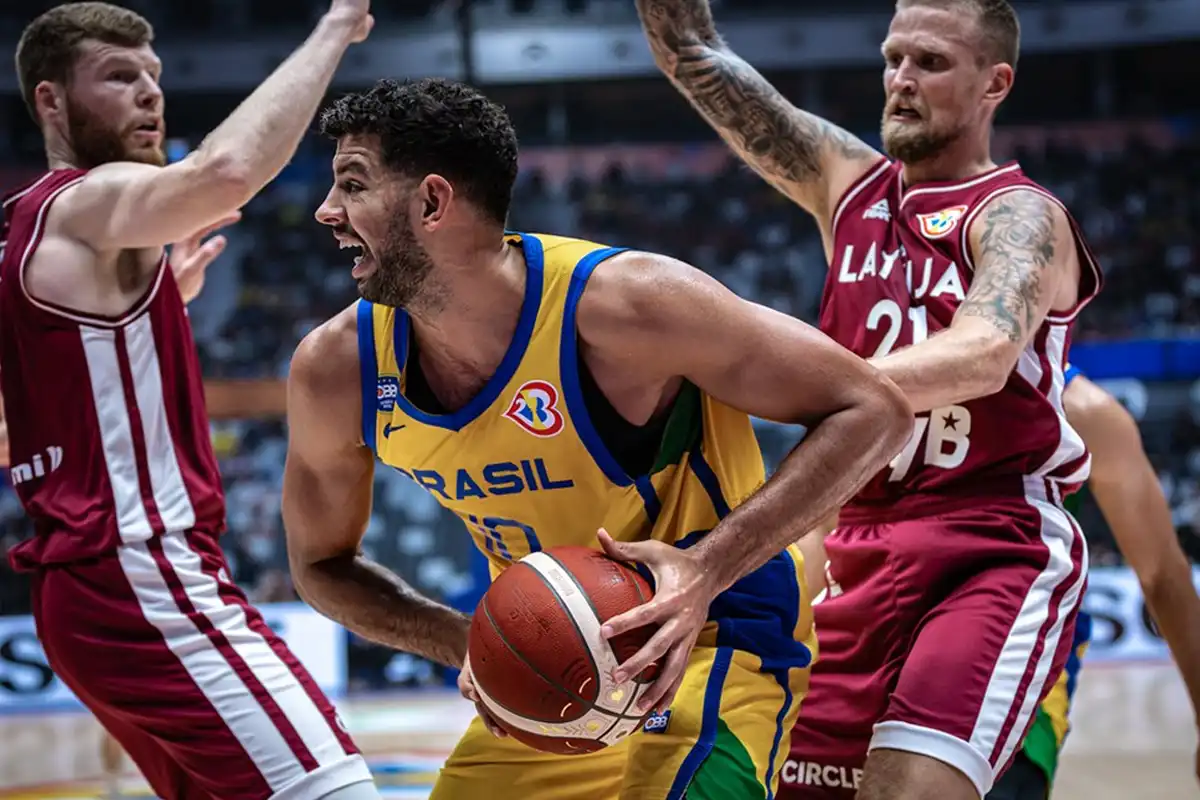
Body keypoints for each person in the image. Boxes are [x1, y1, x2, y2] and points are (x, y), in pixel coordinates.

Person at [280, 76, 913, 800]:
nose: (327, 212)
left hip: (712, 634)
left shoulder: (628, 305)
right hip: (550, 659)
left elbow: (873, 409)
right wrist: (471, 643)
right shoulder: (338, 370)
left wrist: (706, 568)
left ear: (432, 202)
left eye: (352, 185)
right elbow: (320, 565)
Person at [635, 0, 1103, 798]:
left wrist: (810, 389)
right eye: (893, 59)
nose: (900, 80)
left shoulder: (1021, 214)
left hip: (988, 538)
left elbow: (985, 352)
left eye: (930, 63)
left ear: (996, 83)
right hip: (853, 545)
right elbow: (695, 54)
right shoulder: (849, 188)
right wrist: (674, 29)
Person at [0, 2, 384, 798]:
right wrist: (335, 26)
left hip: (81, 597)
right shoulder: (85, 197)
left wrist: (143, 313)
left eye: (154, 76)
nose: (149, 93)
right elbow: (225, 175)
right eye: (118, 76)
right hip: (143, 575)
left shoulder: (23, 235)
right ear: (49, 101)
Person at [987, 365, 1200, 799]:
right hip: (884, 651)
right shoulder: (911, 375)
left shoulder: (1083, 410)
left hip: (1017, 677)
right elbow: (1162, 573)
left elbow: (1162, 572)